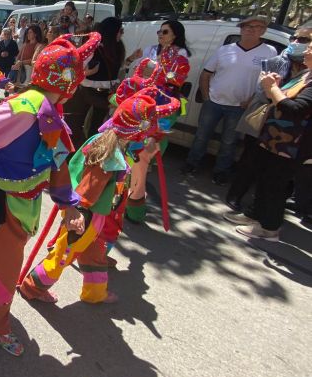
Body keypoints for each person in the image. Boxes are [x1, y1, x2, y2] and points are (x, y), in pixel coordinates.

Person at [0, 33, 101, 356]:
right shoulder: (23, 108)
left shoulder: (50, 111)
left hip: (25, 200)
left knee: (0, 254)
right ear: (67, 83)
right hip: (2, 200)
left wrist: (68, 205)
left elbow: (57, 159)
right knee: (6, 266)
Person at [20, 87, 179, 307]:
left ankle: (94, 293)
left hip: (97, 217)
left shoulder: (109, 139)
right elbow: (88, 190)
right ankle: (32, 287)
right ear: (137, 133)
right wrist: (77, 214)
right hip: (86, 218)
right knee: (62, 256)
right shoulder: (109, 155)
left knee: (95, 256)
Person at [222, 40, 312, 241]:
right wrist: (276, 86)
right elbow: (283, 98)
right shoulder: (306, 74)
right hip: (272, 138)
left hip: (290, 146)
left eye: (310, 48)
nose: (305, 50)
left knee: (275, 186)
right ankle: (254, 215)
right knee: (263, 178)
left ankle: (269, 228)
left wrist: (271, 88)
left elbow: (295, 109)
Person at [182, 16, 277, 184]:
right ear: (241, 29)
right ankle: (191, 164)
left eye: (256, 26)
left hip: (240, 106)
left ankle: (221, 171)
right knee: (201, 136)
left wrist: (253, 100)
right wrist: (206, 96)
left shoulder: (269, 52)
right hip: (214, 103)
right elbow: (206, 74)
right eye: (247, 26)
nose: (251, 29)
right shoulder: (225, 50)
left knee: (229, 142)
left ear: (263, 31)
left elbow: (269, 82)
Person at [117, 50, 190, 224]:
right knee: (133, 177)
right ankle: (128, 207)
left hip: (142, 142)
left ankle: (134, 212)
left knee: (135, 178)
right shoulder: (175, 98)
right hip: (146, 142)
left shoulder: (160, 95)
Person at [65, 17, 126, 148]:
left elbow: (116, 71)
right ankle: (74, 156)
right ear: (112, 31)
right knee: (75, 126)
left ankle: (88, 157)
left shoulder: (118, 48)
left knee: (96, 129)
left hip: (105, 95)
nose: (122, 33)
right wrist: (87, 73)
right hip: (86, 93)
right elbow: (74, 70)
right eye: (120, 30)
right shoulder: (94, 48)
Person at [126, 19, 191, 66]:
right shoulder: (150, 49)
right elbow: (137, 70)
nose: (160, 34)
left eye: (165, 32)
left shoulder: (181, 52)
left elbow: (171, 76)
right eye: (159, 31)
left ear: (175, 35)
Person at [0, 28, 19, 99]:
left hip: (9, 64)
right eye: (5, 34)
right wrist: (1, 54)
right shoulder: (0, 43)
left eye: (8, 34)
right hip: (1, 64)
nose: (7, 35)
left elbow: (16, 52)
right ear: (3, 35)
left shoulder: (13, 43)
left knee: (7, 79)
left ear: (10, 35)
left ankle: (6, 93)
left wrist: (8, 54)